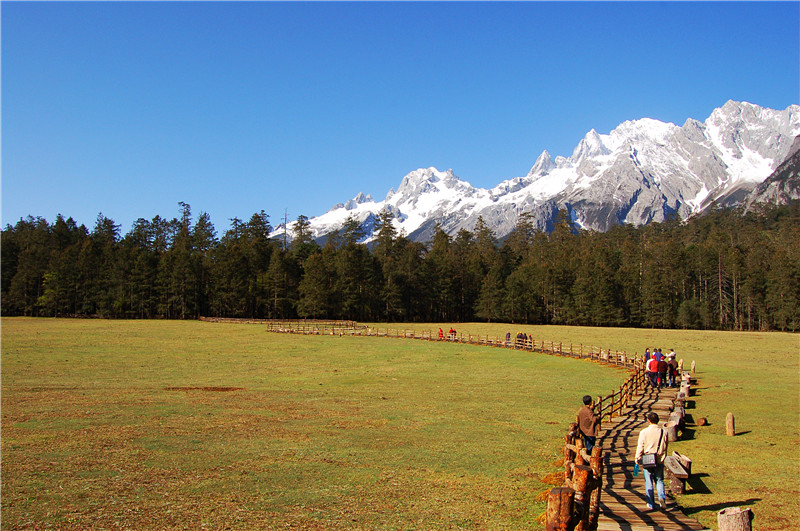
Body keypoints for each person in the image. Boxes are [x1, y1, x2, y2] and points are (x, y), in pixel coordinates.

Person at [635, 412, 668, 510]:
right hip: (658, 459)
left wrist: (637, 458)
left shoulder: (644, 432)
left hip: (648, 459)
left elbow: (640, 446)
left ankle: (651, 503)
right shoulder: (663, 432)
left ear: (648, 420)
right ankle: (662, 498)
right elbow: (665, 445)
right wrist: (663, 457)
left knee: (648, 481)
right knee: (659, 480)